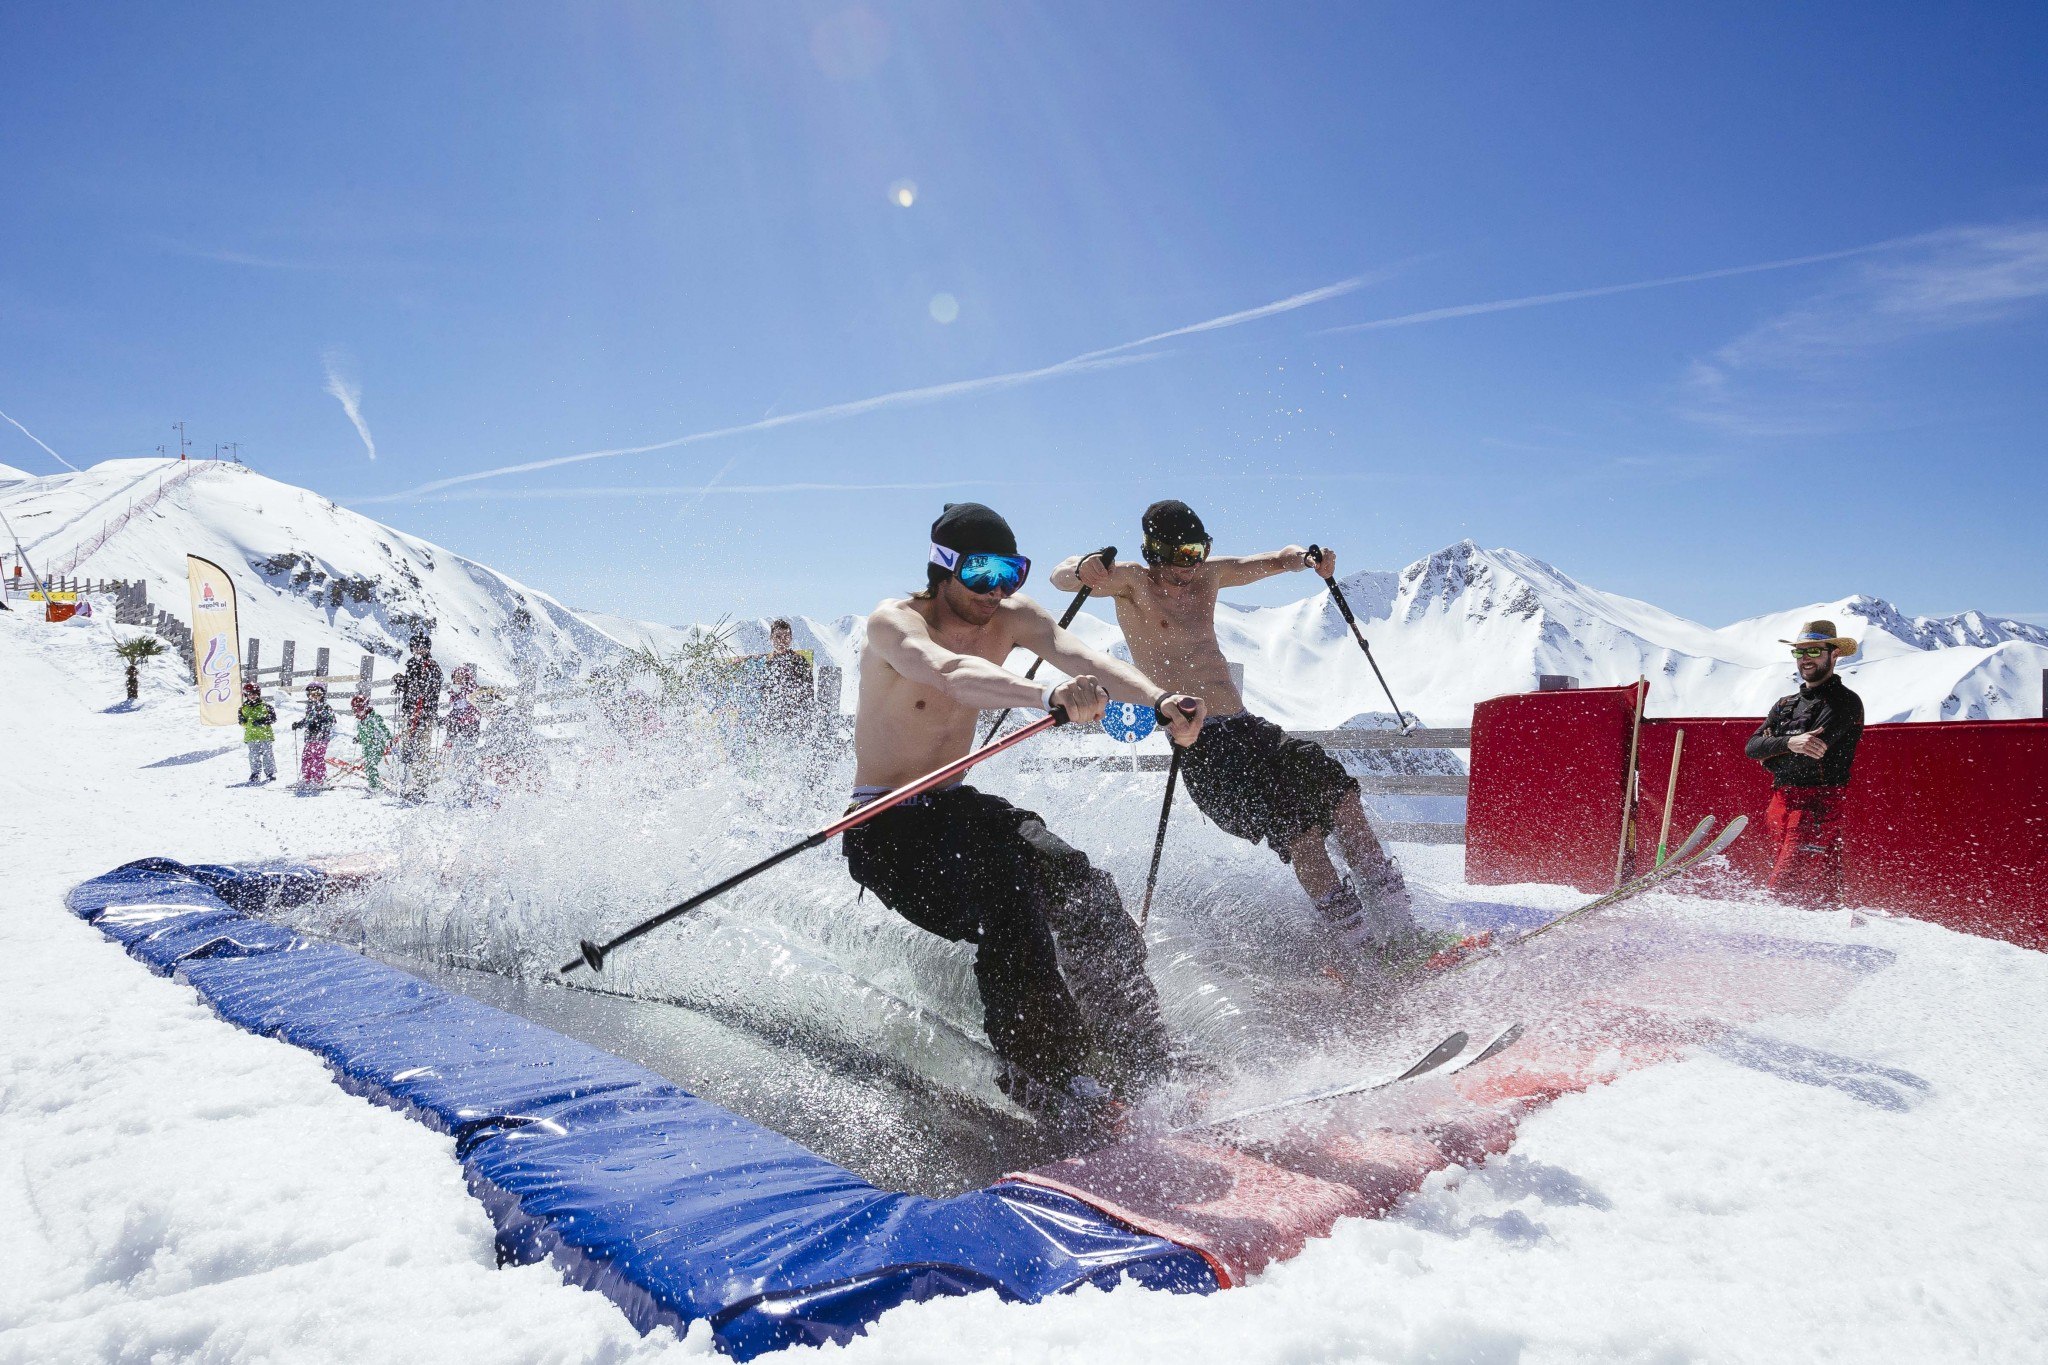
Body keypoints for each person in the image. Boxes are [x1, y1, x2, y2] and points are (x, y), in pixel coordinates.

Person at [843, 502, 1207, 1131]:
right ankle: (1048, 1071)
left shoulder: (1012, 617)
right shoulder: (894, 623)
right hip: (886, 827)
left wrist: (1160, 700)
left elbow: (1083, 660)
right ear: (942, 567)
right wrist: (1046, 696)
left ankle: (1142, 1058)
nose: (998, 589)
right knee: (1010, 896)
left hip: (955, 809)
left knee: (1079, 883)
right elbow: (948, 673)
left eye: (1012, 572)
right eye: (982, 573)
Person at [1052, 499, 1434, 970]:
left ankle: (1404, 934)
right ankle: (1360, 951)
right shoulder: (1131, 583)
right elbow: (1062, 576)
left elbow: (1272, 561)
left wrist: (1307, 558)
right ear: (1153, 552)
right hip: (1199, 743)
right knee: (1301, 831)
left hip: (1250, 728)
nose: (1188, 567)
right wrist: (1084, 567)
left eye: (1196, 552)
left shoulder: (1208, 576)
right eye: (1178, 555)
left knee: (1341, 797)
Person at [1745, 620, 1865, 910]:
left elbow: (1811, 753)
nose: (1805, 659)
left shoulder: (1844, 702)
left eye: (1813, 650)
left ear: (1833, 654)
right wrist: (1789, 744)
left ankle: (1772, 947)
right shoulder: (1785, 703)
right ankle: (1820, 947)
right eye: (1799, 653)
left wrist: (1772, 754)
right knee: (1818, 889)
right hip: (1780, 803)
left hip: (1817, 806)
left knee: (1784, 889)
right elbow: (1751, 748)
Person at [395, 634, 443, 801]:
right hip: (410, 713)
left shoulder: (433, 667)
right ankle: (409, 784)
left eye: (422, 646)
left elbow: (433, 690)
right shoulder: (412, 665)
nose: (419, 649)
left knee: (421, 751)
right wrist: (403, 684)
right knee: (407, 749)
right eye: (416, 646)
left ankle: (421, 786)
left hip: (424, 715)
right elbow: (411, 688)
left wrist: (420, 689)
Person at [446, 664, 483, 804]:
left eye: (461, 677)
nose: (458, 680)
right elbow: (456, 711)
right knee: (456, 760)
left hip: (469, 731)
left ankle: (471, 789)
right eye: (456, 678)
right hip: (458, 732)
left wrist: (462, 721)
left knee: (467, 760)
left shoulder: (471, 692)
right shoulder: (455, 693)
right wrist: (451, 720)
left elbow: (474, 712)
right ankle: (461, 788)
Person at [290, 683, 337, 791]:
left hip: (321, 738)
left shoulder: (326, 707)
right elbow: (307, 720)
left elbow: (331, 721)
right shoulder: (310, 707)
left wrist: (319, 726)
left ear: (322, 694)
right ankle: (307, 779)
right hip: (310, 737)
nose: (314, 696)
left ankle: (320, 780)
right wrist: (299, 724)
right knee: (307, 757)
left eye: (318, 693)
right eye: (311, 694)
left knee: (317, 758)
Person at [351, 694, 393, 794]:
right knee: (368, 766)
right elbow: (363, 733)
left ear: (366, 707)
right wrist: (358, 738)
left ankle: (375, 786)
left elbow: (383, 729)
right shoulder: (360, 721)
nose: (359, 711)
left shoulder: (373, 718)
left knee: (370, 765)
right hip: (367, 746)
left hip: (376, 745)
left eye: (361, 708)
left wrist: (389, 738)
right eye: (355, 709)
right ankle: (373, 784)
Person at [239, 682, 277, 784]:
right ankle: (255, 773)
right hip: (251, 736)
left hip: (265, 735)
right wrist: (242, 721)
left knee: (267, 754)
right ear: (246, 695)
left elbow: (273, 719)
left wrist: (262, 721)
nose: (252, 696)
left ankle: (270, 772)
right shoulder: (243, 708)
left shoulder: (266, 706)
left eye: (255, 693)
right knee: (253, 755)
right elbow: (242, 722)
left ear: (258, 694)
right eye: (250, 694)